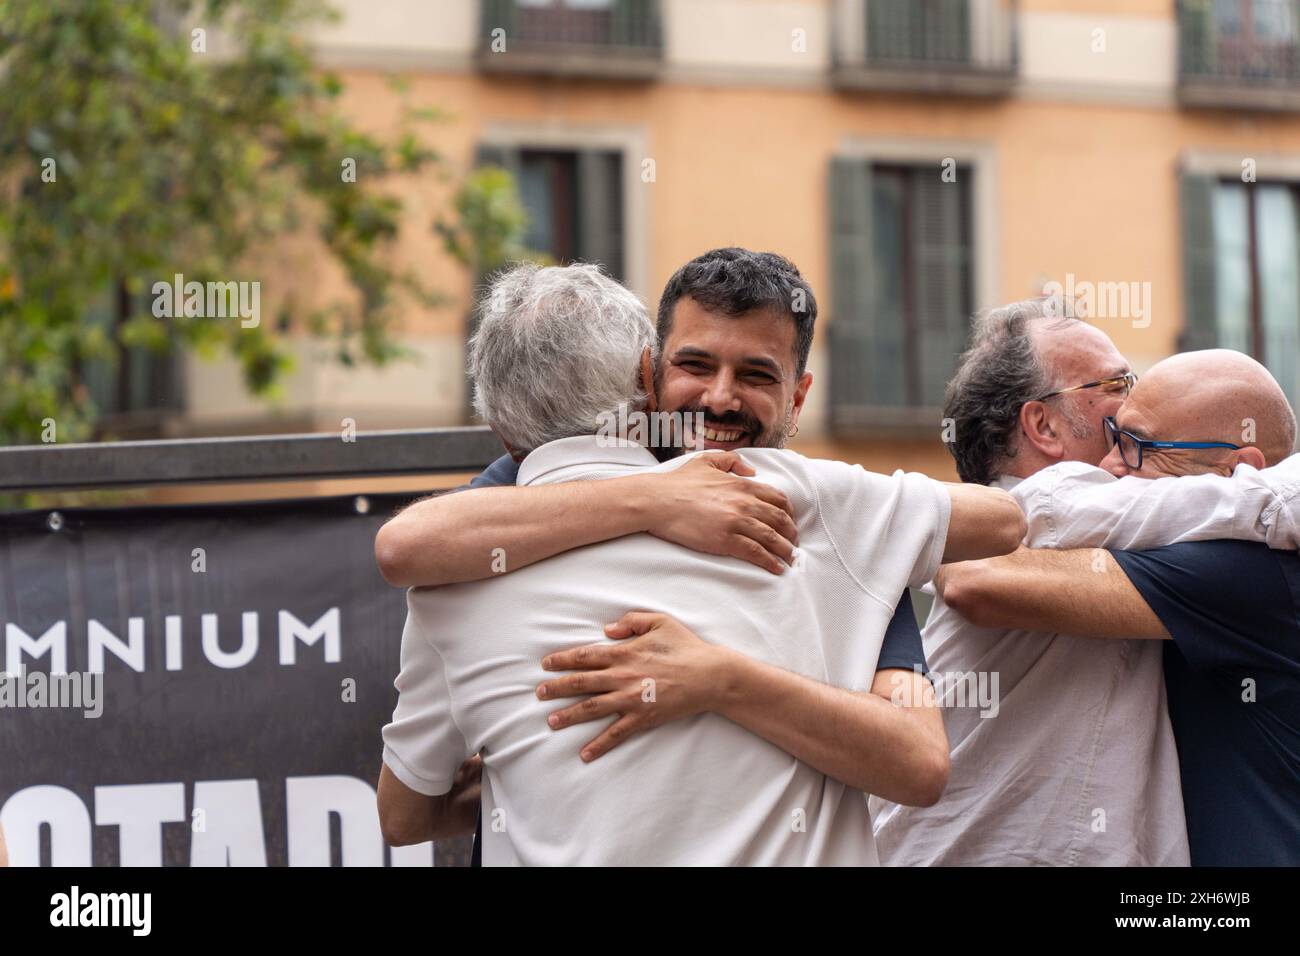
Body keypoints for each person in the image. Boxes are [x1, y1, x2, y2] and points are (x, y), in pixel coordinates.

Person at [376, 261, 1024, 865]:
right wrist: (651, 498)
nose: (718, 400)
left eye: (756, 375)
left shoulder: (817, 506)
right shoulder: (807, 496)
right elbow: (407, 545)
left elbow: (917, 761)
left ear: (799, 400)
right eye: (695, 365)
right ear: (648, 375)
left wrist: (719, 679)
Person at [936, 349, 1300, 866]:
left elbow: (980, 577)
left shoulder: (1245, 570)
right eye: (1114, 438)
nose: (1108, 466)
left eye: (1137, 447)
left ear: (1239, 469)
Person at [870, 297, 1196, 866]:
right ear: (1042, 424)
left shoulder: (1114, 519)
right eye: (1117, 382)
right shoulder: (1058, 504)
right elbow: (1250, 502)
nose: (1136, 400)